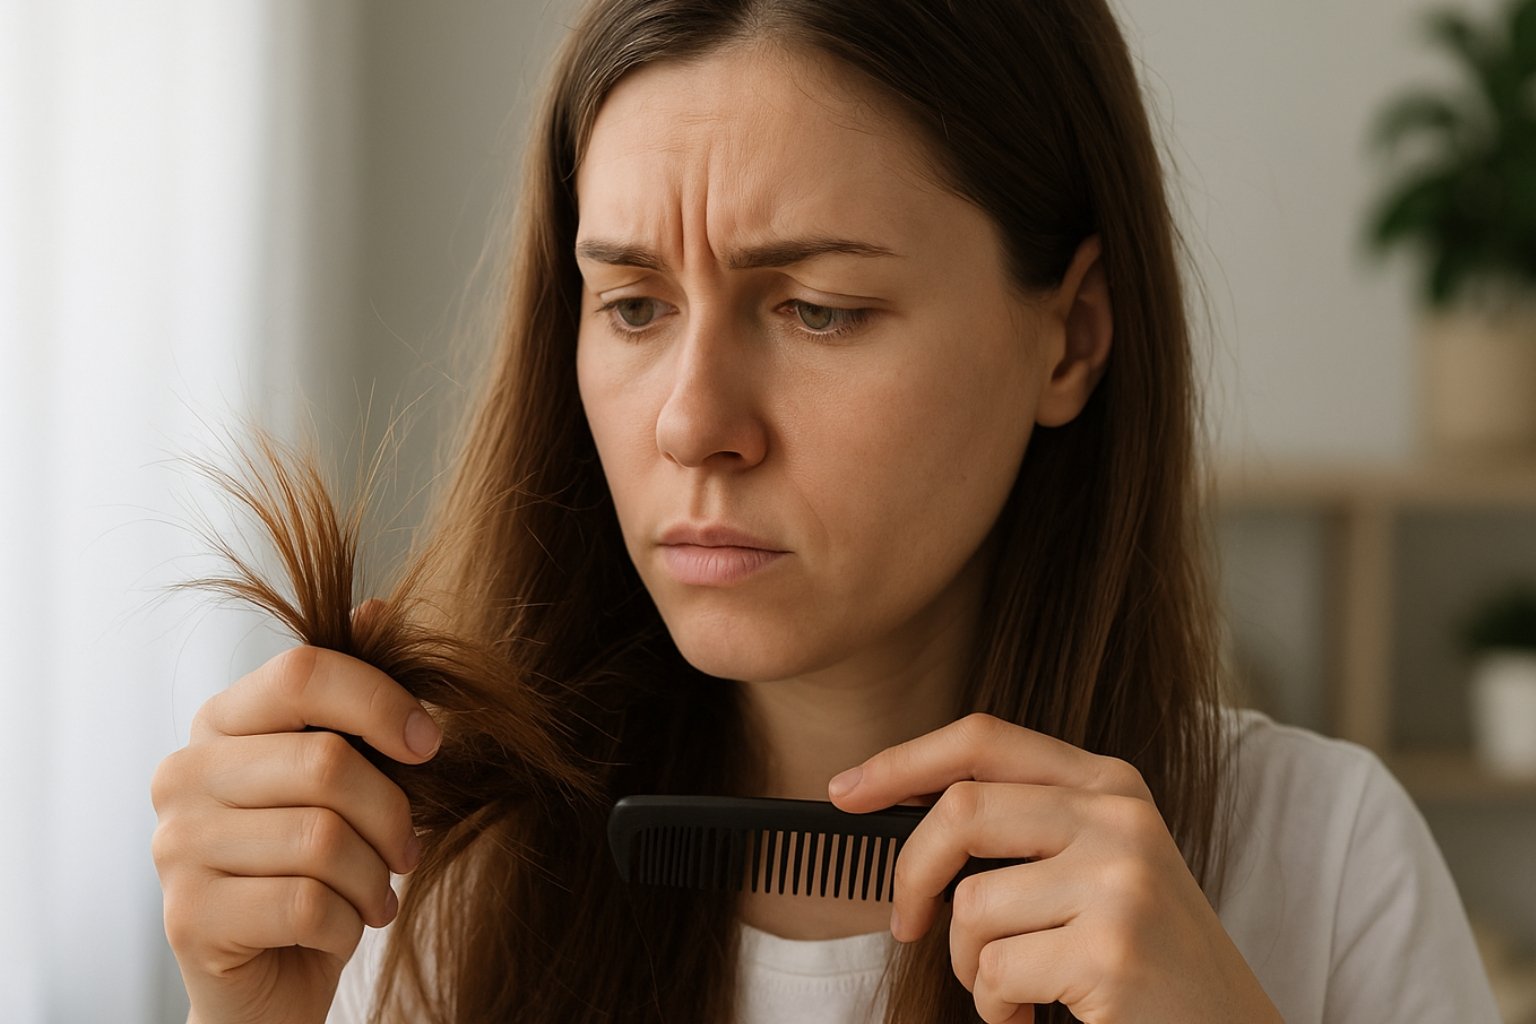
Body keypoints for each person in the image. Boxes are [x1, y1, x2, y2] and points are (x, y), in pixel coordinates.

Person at [149, 0, 1502, 1021]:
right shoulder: (421, 887)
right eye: (630, 306)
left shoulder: (1318, 873)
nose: (690, 424)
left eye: (817, 310)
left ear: (1074, 337)